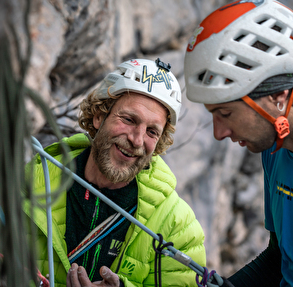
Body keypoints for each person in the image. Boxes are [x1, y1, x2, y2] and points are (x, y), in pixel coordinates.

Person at [184, 0, 293, 286]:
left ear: (278, 97)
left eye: (226, 113)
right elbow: (279, 258)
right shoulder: (275, 146)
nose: (219, 133)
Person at [25, 58, 206, 287]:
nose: (137, 140)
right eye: (129, 120)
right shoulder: (30, 183)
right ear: (99, 116)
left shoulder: (177, 226)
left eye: (152, 131)